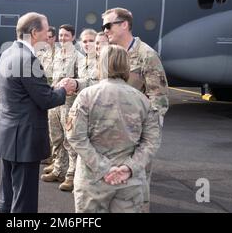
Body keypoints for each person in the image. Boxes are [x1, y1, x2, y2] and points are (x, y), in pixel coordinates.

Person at [0, 12, 76, 213]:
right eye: (46, 30)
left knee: (7, 195)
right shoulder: (27, 59)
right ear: (34, 32)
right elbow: (45, 99)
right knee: (24, 201)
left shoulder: (9, 52)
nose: (49, 34)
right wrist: (63, 89)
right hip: (24, 139)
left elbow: (26, 92)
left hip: (7, 135)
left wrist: (49, 89)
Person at [66, 45, 162, 213]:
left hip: (93, 180)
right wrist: (129, 167)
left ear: (100, 65)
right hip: (129, 182)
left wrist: (103, 167)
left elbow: (76, 137)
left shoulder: (86, 96)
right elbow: (151, 141)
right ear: (127, 66)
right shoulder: (142, 100)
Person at [41, 24, 84, 192]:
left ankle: (71, 176)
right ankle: (59, 169)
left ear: (73, 37)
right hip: (54, 102)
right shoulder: (57, 55)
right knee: (56, 137)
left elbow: (82, 80)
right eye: (60, 35)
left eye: (66, 35)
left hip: (69, 104)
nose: (62, 38)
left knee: (69, 141)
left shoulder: (78, 57)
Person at [36, 26, 57, 165]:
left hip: (55, 94)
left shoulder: (61, 54)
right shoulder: (42, 54)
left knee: (56, 131)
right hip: (44, 93)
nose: (47, 40)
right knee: (47, 127)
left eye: (49, 37)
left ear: (54, 38)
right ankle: (51, 157)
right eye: (46, 37)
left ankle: (56, 161)